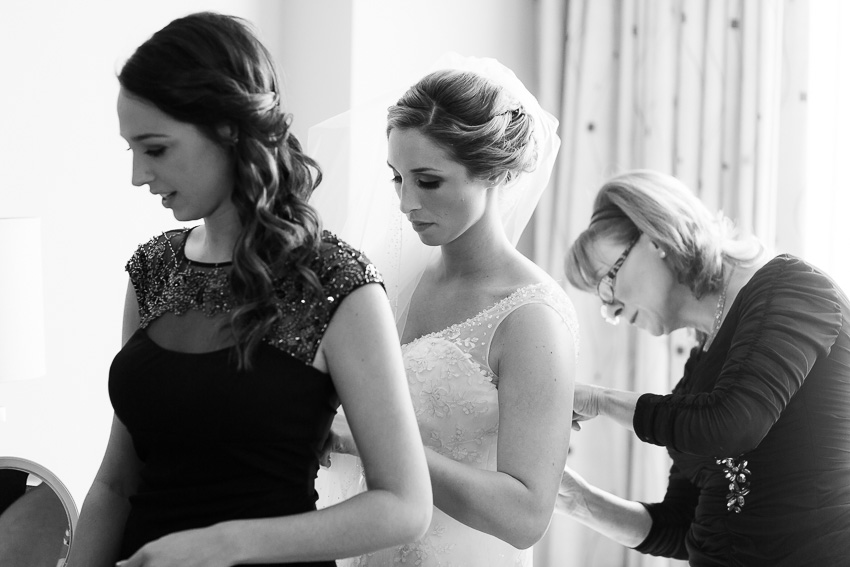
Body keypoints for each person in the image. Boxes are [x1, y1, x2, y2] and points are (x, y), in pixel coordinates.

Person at [68, 12, 432, 567]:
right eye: (131, 151)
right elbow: (117, 482)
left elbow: (404, 505)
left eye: (157, 148)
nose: (138, 176)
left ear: (229, 129)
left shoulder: (339, 284)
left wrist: (224, 543)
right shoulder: (154, 268)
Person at [313, 60, 579, 566]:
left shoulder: (531, 318)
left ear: (495, 172)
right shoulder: (391, 283)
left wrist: (375, 442)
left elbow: (525, 518)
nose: (406, 202)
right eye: (397, 178)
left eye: (428, 181)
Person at [559, 169, 850, 566]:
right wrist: (578, 501)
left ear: (655, 237)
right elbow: (680, 527)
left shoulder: (793, 289)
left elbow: (733, 424)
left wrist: (599, 399)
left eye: (607, 281)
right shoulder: (697, 374)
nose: (609, 307)